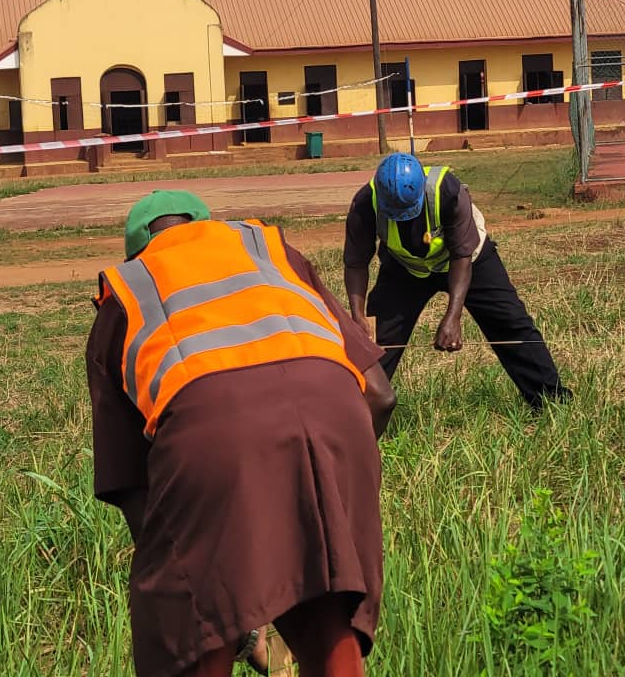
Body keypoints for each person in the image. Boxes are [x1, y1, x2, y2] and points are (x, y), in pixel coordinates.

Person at [86, 189, 395, 677]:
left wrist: (203, 588)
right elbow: (379, 395)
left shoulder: (128, 288)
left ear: (137, 251)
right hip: (337, 416)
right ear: (208, 226)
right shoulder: (271, 251)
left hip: (211, 433)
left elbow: (134, 488)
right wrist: (324, 494)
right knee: (326, 591)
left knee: (187, 629)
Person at [344, 153, 572, 410]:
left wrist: (453, 316)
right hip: (405, 268)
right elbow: (355, 263)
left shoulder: (448, 191)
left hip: (467, 261)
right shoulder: (365, 203)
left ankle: (551, 401)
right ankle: (356, 412)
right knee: (373, 342)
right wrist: (358, 317)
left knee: (509, 322)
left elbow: (461, 255)